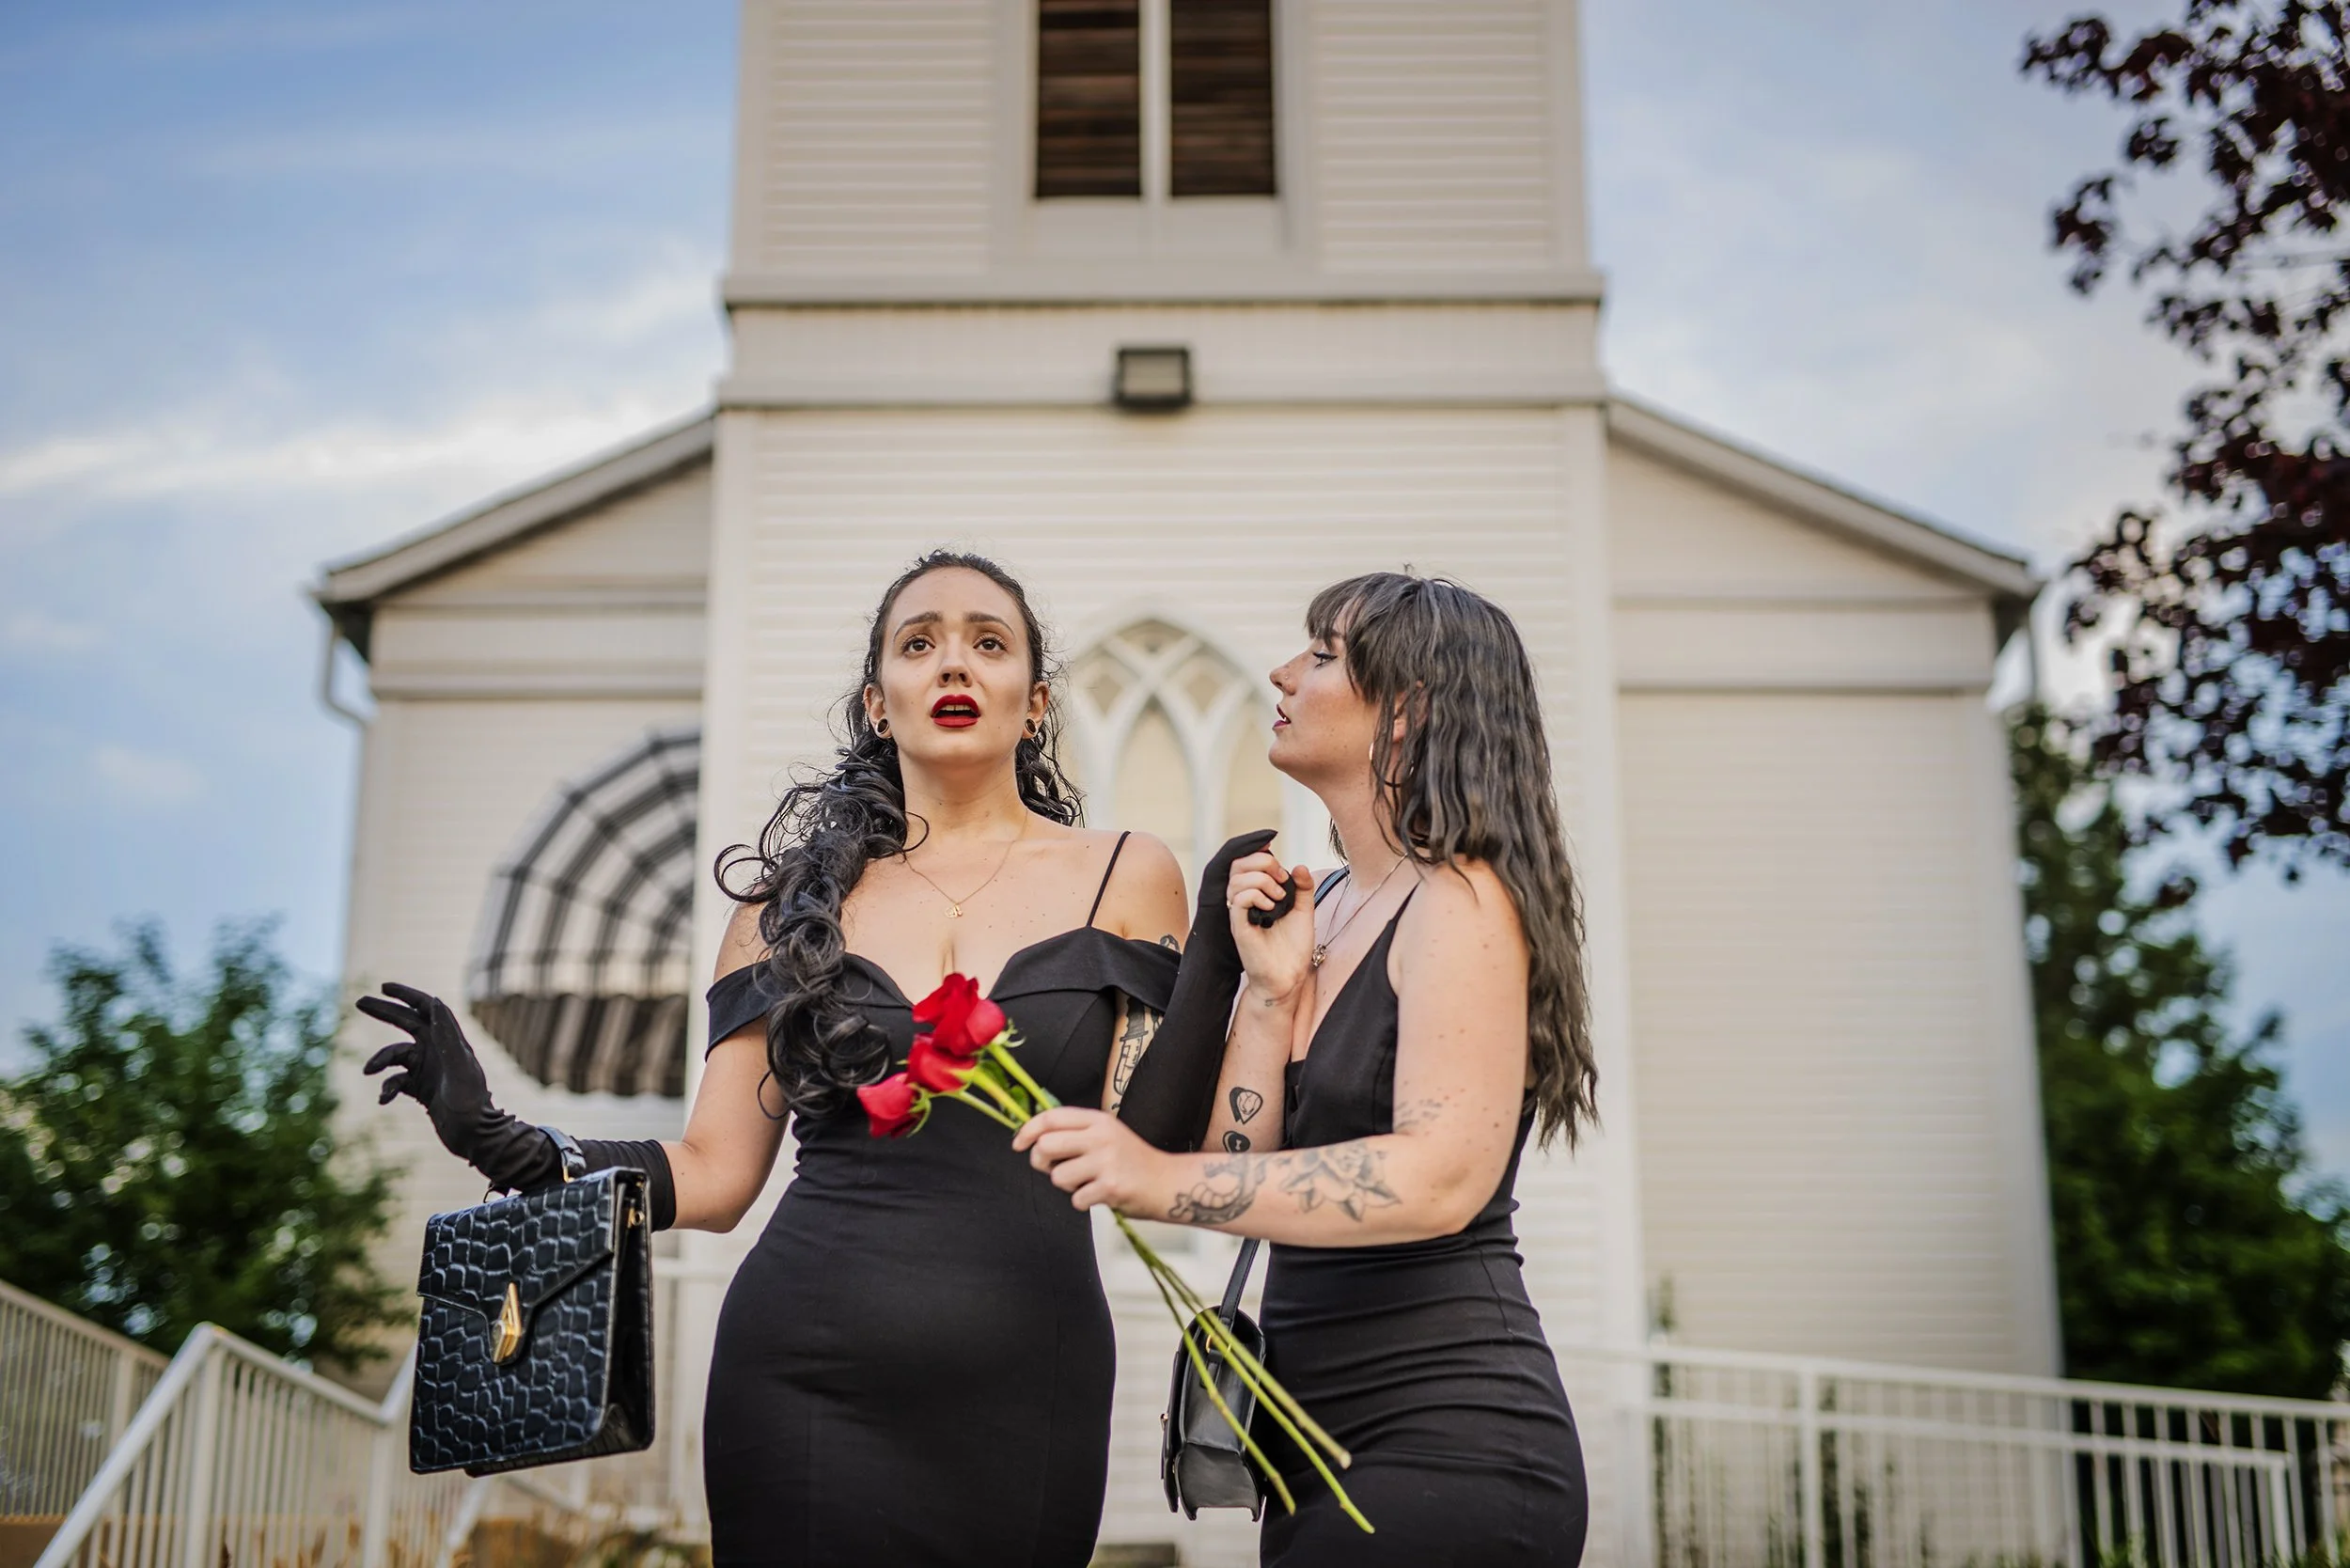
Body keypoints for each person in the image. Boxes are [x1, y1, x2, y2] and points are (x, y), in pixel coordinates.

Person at [360, 551, 1205, 1567]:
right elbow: (716, 1176)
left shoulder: (1127, 875)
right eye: (919, 643)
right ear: (876, 702)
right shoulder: (787, 912)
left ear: (1035, 702)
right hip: (806, 1372)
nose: (954, 667)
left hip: (1030, 1376)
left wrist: (1256, 985)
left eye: (989, 643)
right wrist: (508, 1143)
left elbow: (1159, 1145)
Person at [1015, 572, 1595, 1568]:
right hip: (1311, 1447)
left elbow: (1440, 1175)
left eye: (1322, 655)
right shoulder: (1320, 907)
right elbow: (1241, 1166)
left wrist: (1154, 1176)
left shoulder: (1461, 900)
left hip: (1450, 1443)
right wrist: (1272, 996)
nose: (1283, 672)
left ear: (1407, 711)